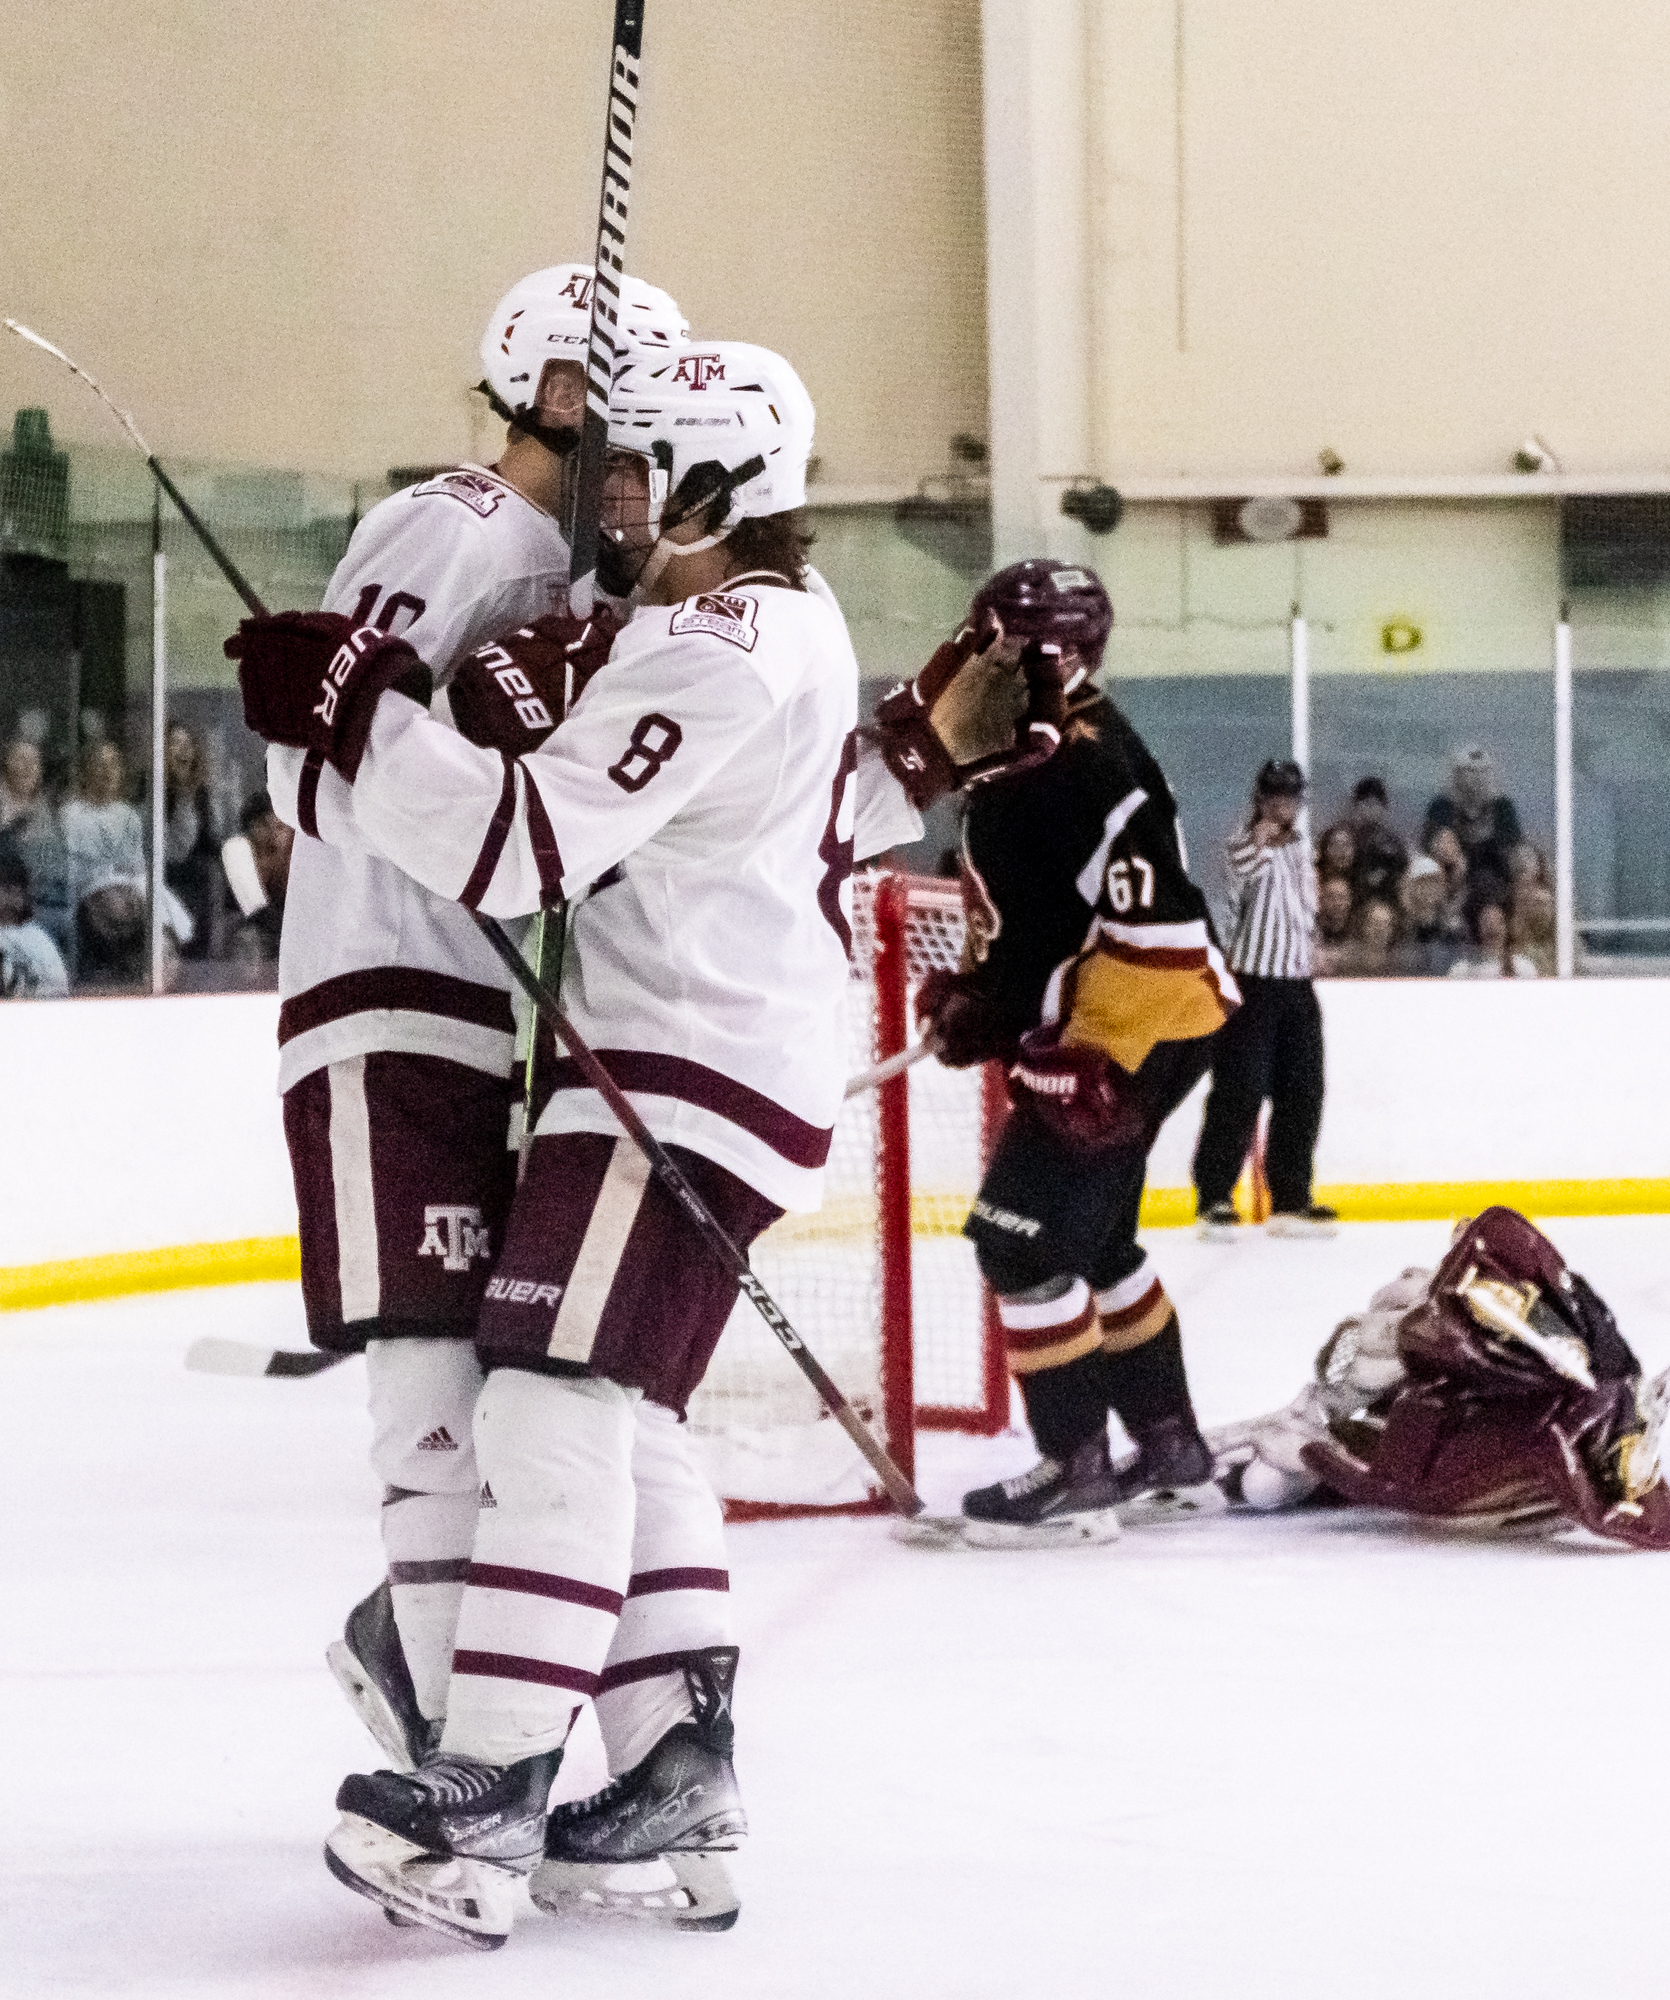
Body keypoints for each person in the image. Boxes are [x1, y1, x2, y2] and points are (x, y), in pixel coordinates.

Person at [233, 337, 977, 1947]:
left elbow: (517, 852)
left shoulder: (722, 643)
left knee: (552, 1402)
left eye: (642, 473)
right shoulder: (749, 621)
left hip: (682, 1066)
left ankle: (486, 1793)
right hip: (687, 1059)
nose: (613, 499)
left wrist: (363, 718)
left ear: (713, 487)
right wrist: (559, 668)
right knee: (616, 1410)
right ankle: (672, 1772)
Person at [251, 267, 687, 1805]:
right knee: (431, 1381)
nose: (656, 461)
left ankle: (526, 1720)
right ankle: (458, 1757)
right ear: (562, 397)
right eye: (635, 421)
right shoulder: (455, 526)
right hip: (388, 985)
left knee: (550, 1384)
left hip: (500, 1006)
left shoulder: (578, 570)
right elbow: (312, 759)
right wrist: (467, 721)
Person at [880, 559, 1237, 1545]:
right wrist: (981, 996)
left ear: (1054, 657)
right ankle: (1170, 1450)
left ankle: (1076, 1470)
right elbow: (1036, 919)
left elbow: (1106, 936)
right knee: (1098, 1242)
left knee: (1017, 1243)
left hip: (1124, 1032)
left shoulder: (1073, 767)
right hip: (1140, 1025)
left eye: (994, 644)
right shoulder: (1035, 750)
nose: (970, 661)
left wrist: (1033, 1033)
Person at [1205, 1207, 1670, 1550]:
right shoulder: (1408, 1415)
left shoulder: (1438, 1375)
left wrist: (1313, 1452)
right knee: (1267, 1481)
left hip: (1445, 1421)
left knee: (1273, 1474)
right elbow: (1396, 1482)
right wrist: (1313, 1453)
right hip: (1390, 1434)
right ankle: (1233, 1468)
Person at [1193, 760, 1336, 1241]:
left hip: (1296, 984)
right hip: (1253, 984)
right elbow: (1242, 873)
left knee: (1304, 1090)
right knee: (1239, 1090)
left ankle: (1291, 1197)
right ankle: (1214, 1195)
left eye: (1290, 797)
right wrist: (1260, 836)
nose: (1282, 805)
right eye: (1274, 796)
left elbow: (1304, 910)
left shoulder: (1302, 846)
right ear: (1260, 798)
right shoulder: (1245, 843)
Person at [60, 739, 146, 926]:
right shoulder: (71, 813)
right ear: (86, 771)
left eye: (113, 764)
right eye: (100, 764)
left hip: (129, 888)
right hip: (90, 892)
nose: (108, 771)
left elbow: (136, 866)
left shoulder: (129, 814)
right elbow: (77, 867)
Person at [0, 735, 70, 953]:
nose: (29, 767)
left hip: (49, 896)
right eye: (20, 759)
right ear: (4, 766)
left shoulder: (50, 808)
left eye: (34, 761)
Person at [1423, 746, 1522, 895]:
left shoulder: (1502, 806)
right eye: (1470, 771)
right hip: (1449, 870)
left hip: (1493, 870)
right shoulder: (1442, 804)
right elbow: (1432, 840)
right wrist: (1456, 859)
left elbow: (1512, 842)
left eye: (1483, 771)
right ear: (1457, 774)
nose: (1477, 777)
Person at [162, 721, 220, 958]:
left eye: (188, 744)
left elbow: (209, 840)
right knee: (207, 873)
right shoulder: (155, 789)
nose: (184, 750)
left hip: (193, 870)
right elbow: (174, 852)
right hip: (166, 868)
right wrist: (185, 798)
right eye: (176, 743)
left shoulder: (200, 793)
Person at [0, 835, 68, 997]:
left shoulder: (37, 938)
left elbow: (59, 992)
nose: (10, 899)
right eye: (5, 889)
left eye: (17, 890)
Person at [1390, 854, 1457, 974]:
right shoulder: (1401, 926)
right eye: (1423, 883)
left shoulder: (1451, 926)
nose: (1429, 889)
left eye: (1434, 883)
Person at [1345, 775, 1407, 903]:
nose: (1370, 810)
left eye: (1375, 804)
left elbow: (1401, 875)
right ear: (1356, 807)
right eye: (1366, 804)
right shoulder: (1347, 839)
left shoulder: (1393, 844)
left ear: (1383, 808)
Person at [1448, 891, 1536, 978]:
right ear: (1478, 928)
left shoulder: (1523, 968)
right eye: (1486, 922)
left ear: (1506, 928)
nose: (1492, 927)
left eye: (1498, 921)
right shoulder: (1461, 971)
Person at [1312, 873, 1355, 973]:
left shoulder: (1357, 932)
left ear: (1349, 901)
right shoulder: (1309, 932)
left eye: (1341, 897)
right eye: (1331, 897)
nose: (1337, 903)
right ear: (1320, 900)